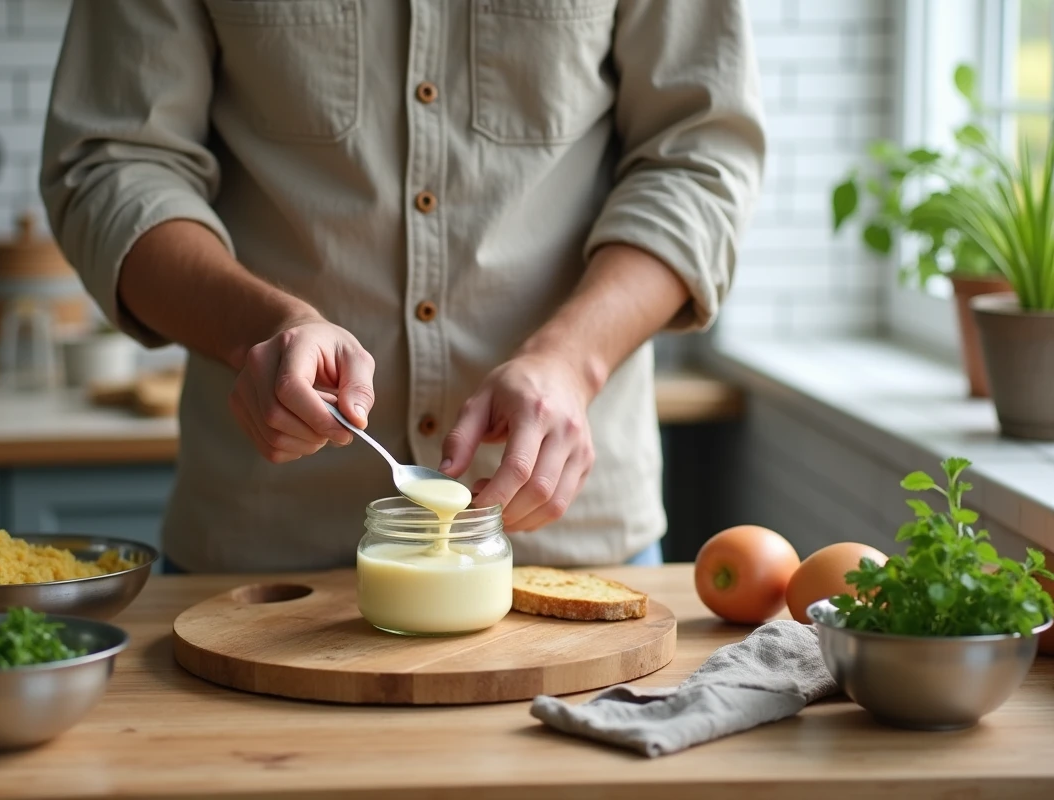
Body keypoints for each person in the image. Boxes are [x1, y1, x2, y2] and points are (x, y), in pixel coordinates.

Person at [40, 0, 765, 574]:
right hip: (261, 561)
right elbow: (112, 163)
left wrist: (574, 358)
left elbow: (700, 155)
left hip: (577, 550)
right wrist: (259, 325)